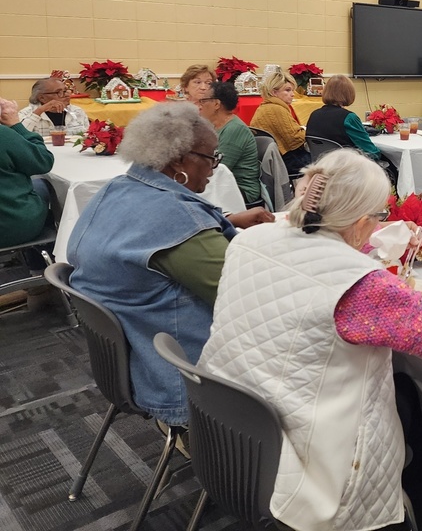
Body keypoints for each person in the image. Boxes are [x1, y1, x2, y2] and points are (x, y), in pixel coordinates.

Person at [200, 149, 422, 531]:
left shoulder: (250, 239)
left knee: (407, 395)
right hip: (314, 458)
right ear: (359, 222)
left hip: (231, 432)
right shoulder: (360, 285)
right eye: (378, 219)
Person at [67, 104, 272, 425]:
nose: (215, 168)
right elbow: (248, 298)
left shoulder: (114, 189)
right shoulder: (178, 222)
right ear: (180, 159)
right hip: (183, 377)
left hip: (133, 358)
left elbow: (147, 228)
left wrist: (225, 219)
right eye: (211, 158)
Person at [1, 97, 54, 250]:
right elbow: (43, 161)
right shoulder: (3, 135)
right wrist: (16, 125)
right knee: (47, 187)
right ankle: (43, 260)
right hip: (12, 228)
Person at [196, 82, 262, 205]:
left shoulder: (235, 129)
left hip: (240, 189)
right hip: (221, 184)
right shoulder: (213, 127)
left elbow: (218, 169)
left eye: (203, 101)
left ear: (216, 104)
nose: (200, 106)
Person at [251, 70, 310, 174]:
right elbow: (295, 138)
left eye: (292, 90)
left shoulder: (266, 107)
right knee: (326, 161)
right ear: (274, 92)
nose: (292, 94)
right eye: (287, 90)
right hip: (285, 161)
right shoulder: (276, 109)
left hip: (273, 159)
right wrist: (307, 131)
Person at [18, 77, 89, 137]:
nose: (66, 95)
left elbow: (88, 136)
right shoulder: (26, 113)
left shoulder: (77, 111)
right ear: (42, 98)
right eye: (59, 92)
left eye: (65, 91)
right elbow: (19, 136)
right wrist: (39, 111)